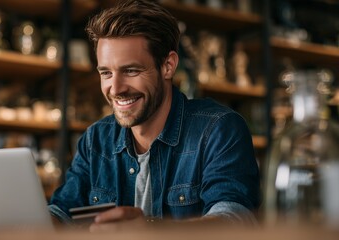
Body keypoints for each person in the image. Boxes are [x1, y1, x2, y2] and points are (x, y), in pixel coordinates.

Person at [48, 0, 260, 231]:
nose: (116, 88)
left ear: (168, 65)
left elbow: (235, 220)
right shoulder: (95, 139)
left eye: (131, 70)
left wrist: (152, 232)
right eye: (106, 73)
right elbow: (62, 213)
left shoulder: (219, 129)